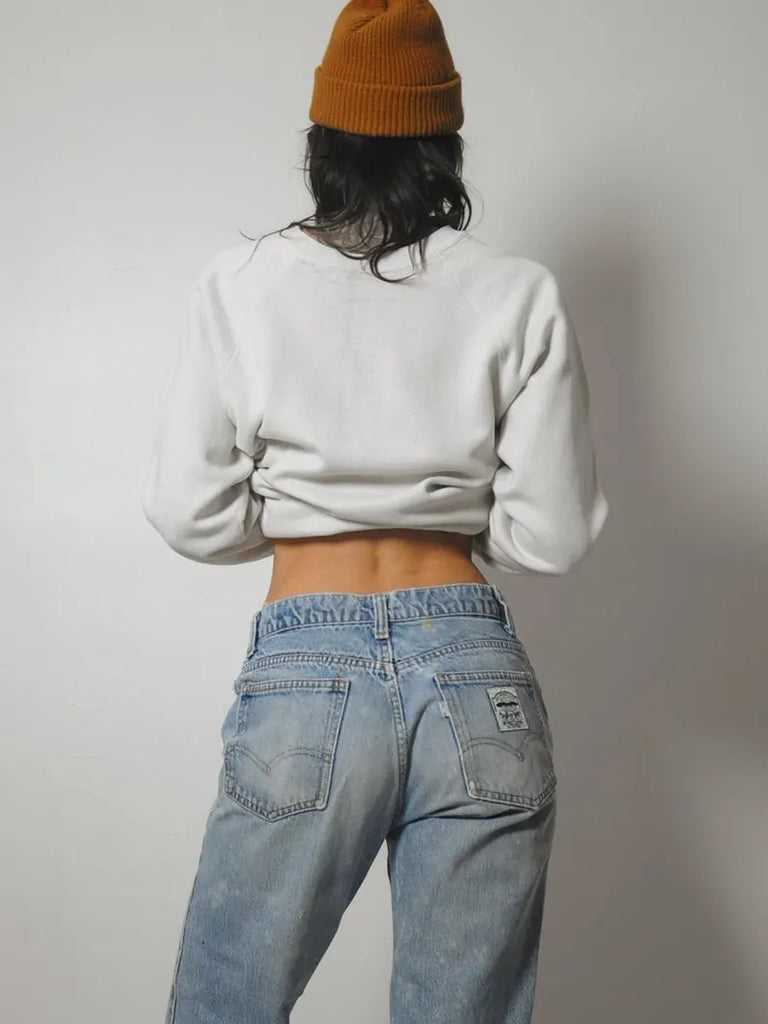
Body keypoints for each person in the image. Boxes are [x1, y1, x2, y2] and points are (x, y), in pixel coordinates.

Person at [141, 2, 609, 1021]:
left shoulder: (242, 283)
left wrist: (303, 517)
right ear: (444, 144)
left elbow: (189, 512)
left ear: (323, 141)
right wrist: (453, 521)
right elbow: (556, 532)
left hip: (308, 668)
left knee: (225, 1006)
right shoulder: (516, 291)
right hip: (477, 673)